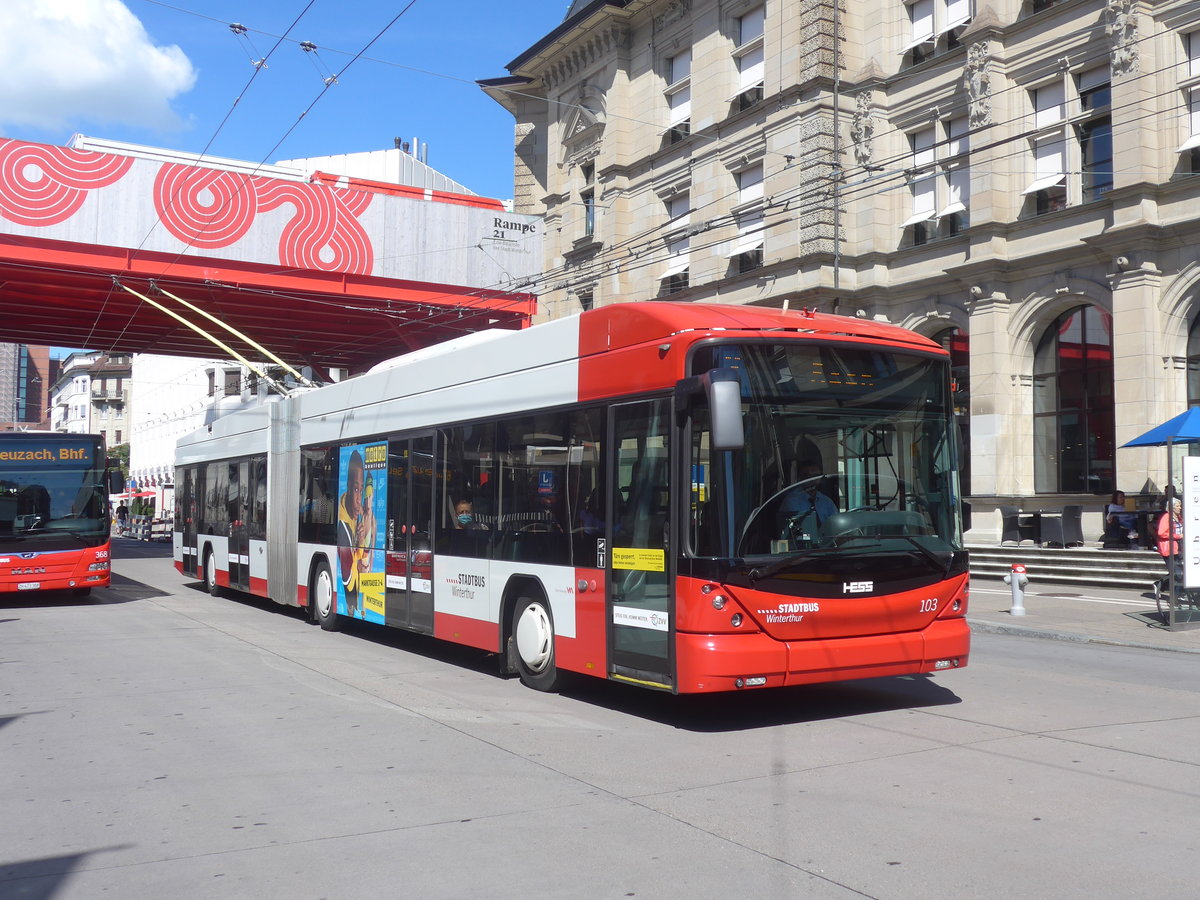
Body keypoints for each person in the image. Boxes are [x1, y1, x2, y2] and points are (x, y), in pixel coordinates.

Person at [778, 460, 838, 541]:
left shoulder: (827, 502)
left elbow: (837, 527)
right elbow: (791, 533)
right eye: (807, 477)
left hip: (827, 546)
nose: (812, 480)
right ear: (799, 479)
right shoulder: (791, 501)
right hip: (801, 549)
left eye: (816, 476)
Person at [1155, 498, 1186, 600]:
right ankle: (1175, 596)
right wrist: (1178, 536)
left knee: (1180, 572)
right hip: (1169, 549)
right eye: (1177, 506)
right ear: (1172, 507)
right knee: (1177, 573)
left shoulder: (1178, 517)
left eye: (1180, 506)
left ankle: (1177, 593)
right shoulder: (1166, 517)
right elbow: (1161, 533)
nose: (1180, 508)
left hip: (1179, 548)